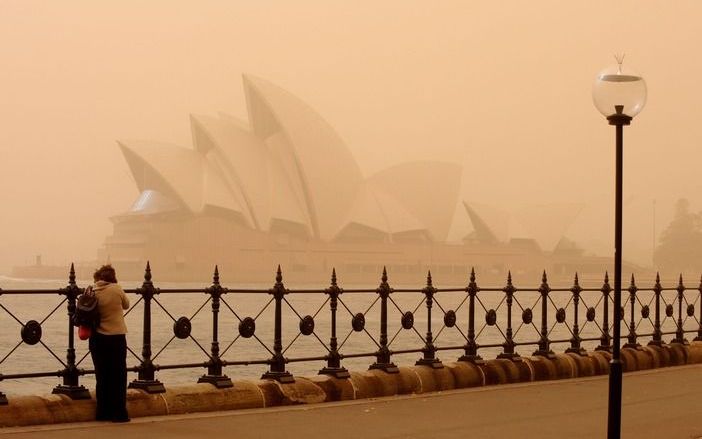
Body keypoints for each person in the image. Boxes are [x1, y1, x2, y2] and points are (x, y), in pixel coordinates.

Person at [89, 264, 130, 422]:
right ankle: (119, 413)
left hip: (97, 338)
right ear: (113, 277)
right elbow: (126, 305)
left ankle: (102, 412)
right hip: (116, 338)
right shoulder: (116, 289)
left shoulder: (92, 291)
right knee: (118, 376)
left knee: (102, 375)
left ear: (98, 277)